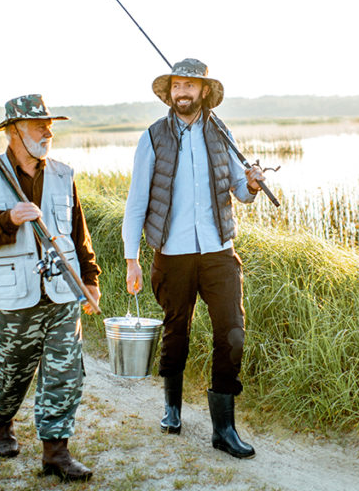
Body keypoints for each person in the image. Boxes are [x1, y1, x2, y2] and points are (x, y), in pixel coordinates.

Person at [122, 58, 266, 459]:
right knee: (176, 331)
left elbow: (241, 188)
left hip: (220, 252)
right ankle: (172, 408)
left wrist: (252, 183)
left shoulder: (223, 133)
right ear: (169, 93)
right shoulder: (152, 137)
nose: (182, 92)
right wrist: (132, 258)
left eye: (190, 85)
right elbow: (136, 203)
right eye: (176, 85)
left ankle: (224, 428)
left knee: (233, 335)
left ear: (205, 91)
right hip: (172, 253)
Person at [0, 94, 101, 482]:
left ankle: (56, 452)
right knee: (9, 374)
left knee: (65, 371)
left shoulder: (63, 173)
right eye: (39, 125)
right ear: (14, 132)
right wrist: (7, 219)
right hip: (13, 295)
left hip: (60, 293)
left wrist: (89, 280)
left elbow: (77, 232)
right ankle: (1, 425)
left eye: (49, 124)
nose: (48, 131)